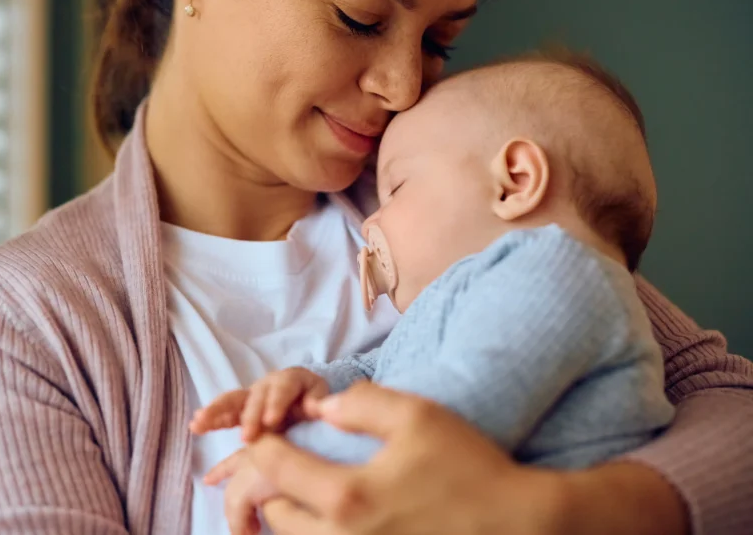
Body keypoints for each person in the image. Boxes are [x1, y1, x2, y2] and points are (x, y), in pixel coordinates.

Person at [0, 0, 753, 534]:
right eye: (358, 17)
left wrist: (556, 515)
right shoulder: (17, 329)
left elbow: (728, 401)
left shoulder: (461, 202)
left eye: (439, 41)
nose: (403, 87)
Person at [192, 54, 677, 534]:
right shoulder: (479, 289)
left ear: (515, 182)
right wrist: (315, 388)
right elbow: (378, 369)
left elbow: (451, 409)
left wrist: (289, 462)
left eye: (397, 187)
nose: (372, 221)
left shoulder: (563, 279)